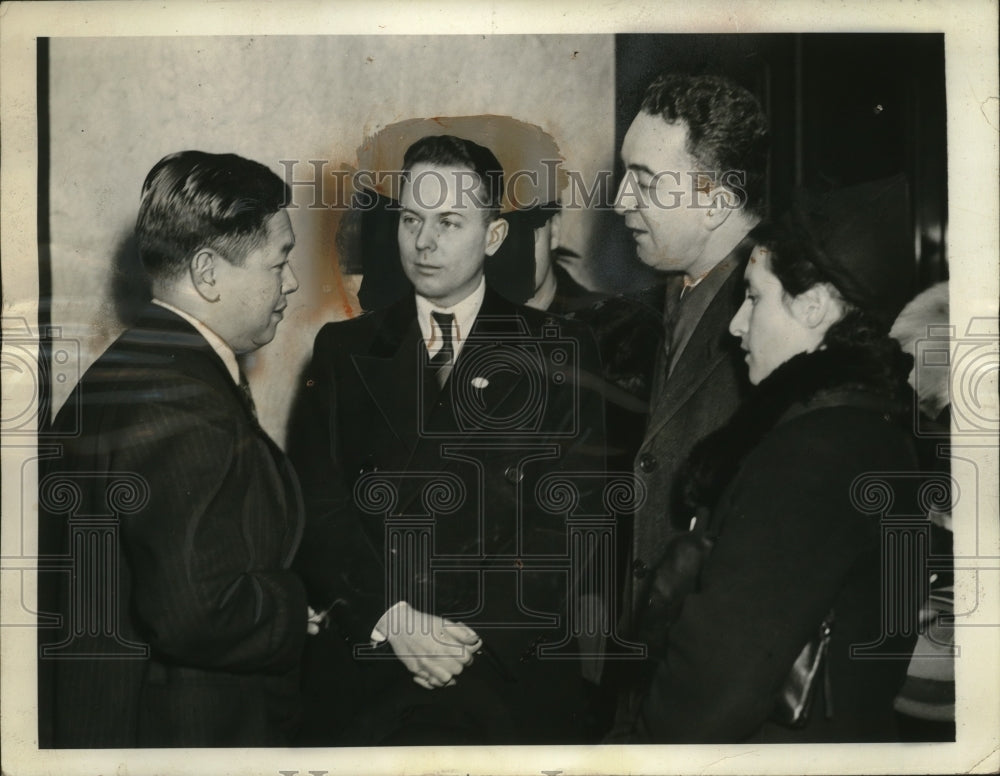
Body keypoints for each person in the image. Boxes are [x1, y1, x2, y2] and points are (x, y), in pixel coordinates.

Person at [288, 134, 607, 744]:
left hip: (503, 673)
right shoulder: (344, 350)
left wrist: (465, 639)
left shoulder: (559, 350)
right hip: (372, 666)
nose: (424, 243)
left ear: (493, 237)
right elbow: (317, 506)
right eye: (411, 219)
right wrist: (393, 618)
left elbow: (572, 518)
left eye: (449, 222)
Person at [617, 175, 922, 742]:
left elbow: (709, 697)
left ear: (813, 307)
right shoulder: (872, 434)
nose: (735, 327)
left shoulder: (811, 456)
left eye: (754, 297)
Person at [37, 151, 314, 747]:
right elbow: (199, 612)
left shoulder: (130, 365)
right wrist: (303, 611)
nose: (290, 282)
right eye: (280, 260)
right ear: (209, 272)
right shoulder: (183, 400)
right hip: (176, 732)